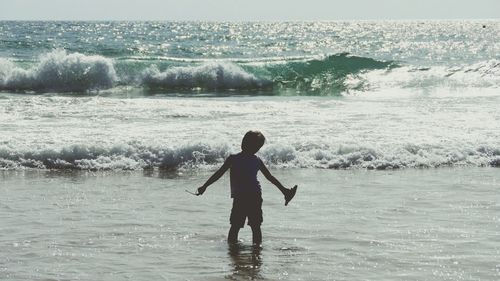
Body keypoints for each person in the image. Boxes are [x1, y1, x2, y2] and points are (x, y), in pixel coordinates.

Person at [195, 130, 297, 245]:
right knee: (255, 226)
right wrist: (283, 190)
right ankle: (257, 250)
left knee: (235, 226)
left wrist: (205, 186)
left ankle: (233, 250)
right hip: (255, 195)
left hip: (241, 197)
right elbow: (270, 177)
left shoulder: (234, 159)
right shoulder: (256, 160)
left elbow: (218, 174)